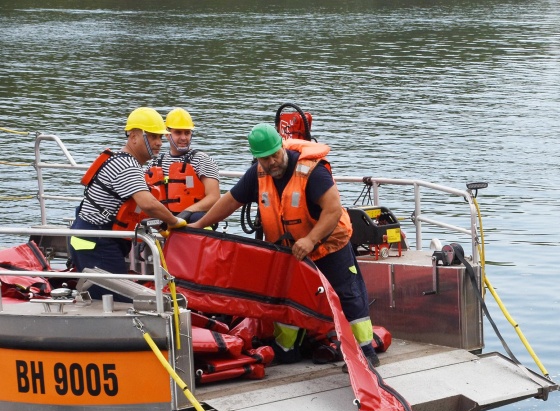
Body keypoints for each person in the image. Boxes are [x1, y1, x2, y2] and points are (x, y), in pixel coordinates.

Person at [195, 123, 380, 367]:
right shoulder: (257, 174)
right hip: (291, 251)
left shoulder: (312, 171)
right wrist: (196, 227)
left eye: (275, 154)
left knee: (348, 294)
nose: (272, 162)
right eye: (264, 158)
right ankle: (286, 349)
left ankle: (365, 351)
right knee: (286, 298)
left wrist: (311, 239)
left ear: (282, 147)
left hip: (328, 244)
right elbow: (229, 202)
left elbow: (333, 209)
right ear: (256, 158)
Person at [69, 107, 186, 297]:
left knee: (109, 297)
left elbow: (138, 209)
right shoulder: (127, 166)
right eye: (152, 137)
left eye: (160, 138)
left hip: (92, 239)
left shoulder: (124, 161)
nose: (158, 143)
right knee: (117, 301)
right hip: (95, 242)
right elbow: (147, 203)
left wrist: (160, 224)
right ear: (134, 137)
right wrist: (174, 221)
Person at [148, 108, 221, 223]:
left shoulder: (202, 160)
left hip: (192, 219)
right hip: (162, 219)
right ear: (167, 134)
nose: (183, 138)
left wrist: (186, 213)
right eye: (178, 132)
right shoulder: (156, 162)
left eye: (187, 133)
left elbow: (214, 197)